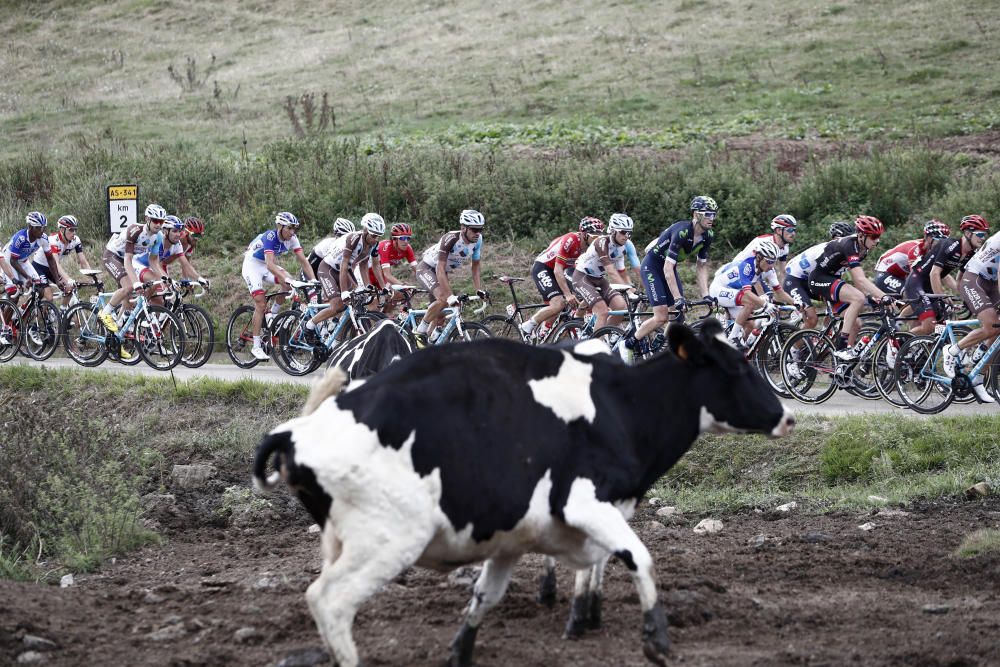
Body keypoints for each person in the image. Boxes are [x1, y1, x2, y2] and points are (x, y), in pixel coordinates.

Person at [621, 196, 716, 358]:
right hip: (652, 266)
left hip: (669, 268)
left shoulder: (708, 236)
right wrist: (679, 298)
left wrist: (706, 295)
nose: (711, 218)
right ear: (695, 214)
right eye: (707, 214)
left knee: (678, 317)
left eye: (713, 214)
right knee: (661, 316)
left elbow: (701, 267)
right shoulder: (682, 231)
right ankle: (628, 344)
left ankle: (661, 345)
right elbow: (667, 267)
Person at [807, 215, 892, 360]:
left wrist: (873, 298)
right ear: (861, 235)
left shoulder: (863, 249)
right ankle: (841, 347)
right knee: (857, 298)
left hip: (832, 279)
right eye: (873, 236)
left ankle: (842, 366)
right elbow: (860, 278)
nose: (877, 240)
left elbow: (858, 281)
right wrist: (883, 295)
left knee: (856, 322)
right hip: (818, 279)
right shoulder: (850, 245)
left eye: (878, 236)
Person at [242, 211, 316, 360]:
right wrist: (288, 279)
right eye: (289, 228)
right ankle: (256, 346)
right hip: (252, 265)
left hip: (265, 265)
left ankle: (273, 315)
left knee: (288, 283)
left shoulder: (293, 239)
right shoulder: (270, 236)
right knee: (261, 303)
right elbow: (270, 265)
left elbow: (303, 260)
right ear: (280, 226)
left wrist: (313, 280)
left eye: (294, 228)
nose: (292, 232)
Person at [305, 213, 385, 341]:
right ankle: (309, 325)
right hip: (328, 269)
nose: (376, 239)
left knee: (355, 300)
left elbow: (363, 265)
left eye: (378, 236)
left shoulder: (373, 244)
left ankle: (334, 330)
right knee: (337, 304)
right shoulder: (353, 239)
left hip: (345, 270)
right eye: (374, 235)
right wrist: (344, 292)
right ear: (365, 230)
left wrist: (367, 287)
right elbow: (344, 265)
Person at [520, 217, 604, 338]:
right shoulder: (571, 240)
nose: (598, 238)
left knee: (582, 296)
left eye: (600, 235)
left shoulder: (593, 246)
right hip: (544, 268)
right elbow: (557, 270)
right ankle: (527, 327)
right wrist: (568, 294)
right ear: (584, 234)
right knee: (559, 303)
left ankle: (546, 329)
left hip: (565, 269)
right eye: (595, 235)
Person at [413, 209, 487, 348]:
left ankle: (425, 344)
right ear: (463, 228)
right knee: (443, 298)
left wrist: (479, 290)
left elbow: (475, 266)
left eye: (480, 230)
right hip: (427, 268)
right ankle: (419, 332)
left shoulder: (478, 241)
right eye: (474, 229)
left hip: (442, 272)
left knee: (440, 315)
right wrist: (449, 296)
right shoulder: (451, 238)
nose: (478, 233)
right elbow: (439, 268)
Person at [710, 239, 794, 349]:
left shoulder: (769, 270)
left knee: (750, 325)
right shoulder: (747, 266)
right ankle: (732, 337)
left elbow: (779, 291)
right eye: (769, 261)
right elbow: (748, 293)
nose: (772, 265)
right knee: (749, 302)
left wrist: (796, 304)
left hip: (734, 292)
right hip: (719, 288)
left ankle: (737, 352)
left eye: (774, 261)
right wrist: (765, 304)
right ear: (759, 258)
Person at [100, 204, 167, 334]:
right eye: (155, 221)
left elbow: (153, 261)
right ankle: (105, 313)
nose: (158, 225)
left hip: (125, 259)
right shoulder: (135, 230)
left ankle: (120, 329)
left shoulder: (158, 237)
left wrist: (165, 278)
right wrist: (136, 283)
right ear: (147, 219)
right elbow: (128, 260)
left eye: (161, 221)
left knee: (156, 281)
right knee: (130, 286)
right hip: (112, 256)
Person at [953, 220, 1000, 403]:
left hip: (988, 282)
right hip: (974, 280)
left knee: (997, 330)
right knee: (991, 326)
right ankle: (954, 349)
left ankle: (978, 377)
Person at [570, 213, 633, 337]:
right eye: (623, 232)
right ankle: (597, 349)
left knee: (621, 307)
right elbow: (610, 271)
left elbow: (622, 272)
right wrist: (628, 291)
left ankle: (604, 334)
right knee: (602, 311)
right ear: (613, 231)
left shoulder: (622, 247)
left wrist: (631, 288)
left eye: (629, 233)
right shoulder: (601, 242)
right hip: (582, 277)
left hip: (599, 279)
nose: (626, 236)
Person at [783, 221, 854, 329]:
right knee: (812, 319)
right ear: (836, 239)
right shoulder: (825, 251)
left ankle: (823, 338)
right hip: (795, 280)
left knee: (840, 308)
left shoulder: (844, 254)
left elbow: (834, 281)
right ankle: (793, 346)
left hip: (814, 281)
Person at [28, 215, 94, 307]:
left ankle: (63, 311)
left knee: (69, 288)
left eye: (75, 230)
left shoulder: (76, 240)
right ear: (62, 230)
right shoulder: (53, 241)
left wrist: (92, 277)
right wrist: (69, 279)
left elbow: (83, 261)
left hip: (52, 269)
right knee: (49, 297)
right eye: (71, 230)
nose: (74, 233)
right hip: (39, 267)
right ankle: (45, 320)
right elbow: (56, 264)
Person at [873, 220, 951, 296]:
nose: (942, 245)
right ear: (928, 238)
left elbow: (943, 275)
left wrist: (960, 293)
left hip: (900, 275)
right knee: (912, 293)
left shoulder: (932, 252)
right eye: (940, 240)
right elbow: (915, 280)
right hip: (884, 274)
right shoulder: (917, 250)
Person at [371, 222, 418, 315]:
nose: (406, 241)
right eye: (403, 238)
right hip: (369, 273)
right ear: (394, 239)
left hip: (380, 275)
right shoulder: (385, 247)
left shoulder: (408, 248)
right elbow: (387, 274)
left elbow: (418, 270)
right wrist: (403, 285)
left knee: (398, 294)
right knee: (373, 307)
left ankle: (384, 317)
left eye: (408, 238)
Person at [176, 216, 210, 287]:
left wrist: (186, 280)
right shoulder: (180, 240)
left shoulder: (192, 242)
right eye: (194, 235)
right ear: (186, 232)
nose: (197, 238)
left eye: (199, 235)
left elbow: (186, 263)